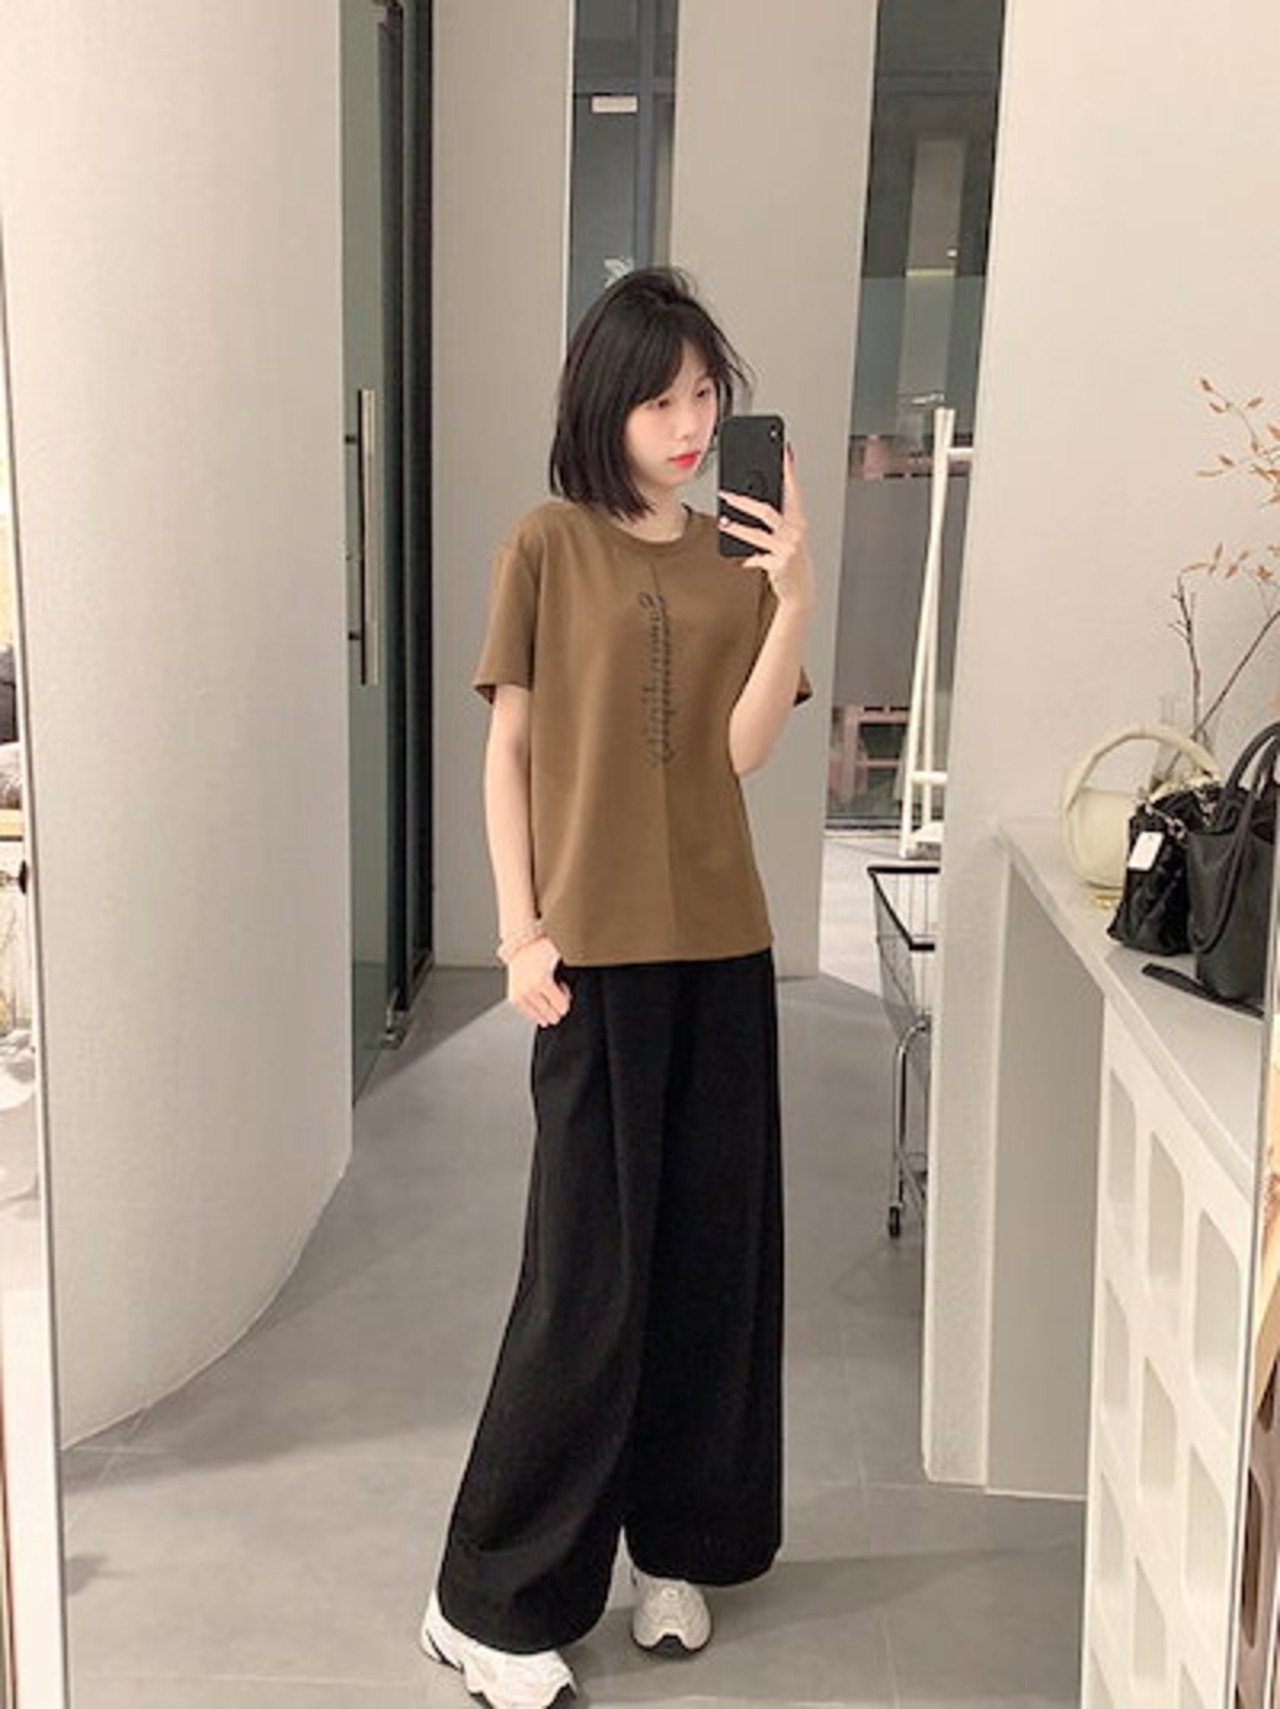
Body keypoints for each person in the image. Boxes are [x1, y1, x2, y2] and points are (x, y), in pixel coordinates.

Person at [419, 265, 815, 1709]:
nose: (693, 424)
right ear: (607, 406)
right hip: (590, 960)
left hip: (721, 946)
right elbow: (509, 752)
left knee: (710, 1265)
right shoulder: (546, 544)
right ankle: (484, 1599)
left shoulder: (733, 555)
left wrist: (793, 595)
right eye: (663, 400)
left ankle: (674, 1547)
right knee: (587, 1280)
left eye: (706, 394)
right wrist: (520, 933)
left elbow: (741, 750)